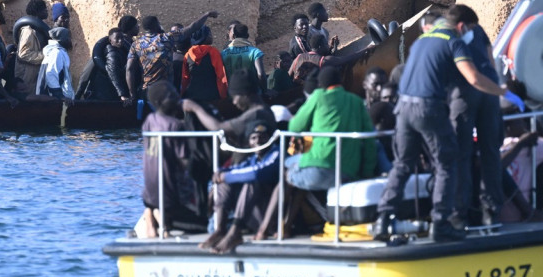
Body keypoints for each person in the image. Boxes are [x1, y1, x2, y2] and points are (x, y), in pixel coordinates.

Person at [374, 4, 524, 242]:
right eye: (469, 28)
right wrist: (502, 91)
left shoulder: (421, 42)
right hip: (433, 106)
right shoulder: (455, 42)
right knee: (450, 162)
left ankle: (384, 218)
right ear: (462, 26)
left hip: (404, 108)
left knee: (403, 164)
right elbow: (475, 76)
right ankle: (447, 221)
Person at [256, 66, 377, 239]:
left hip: (319, 170)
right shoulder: (356, 101)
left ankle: (267, 229)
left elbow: (294, 127)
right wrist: (365, 174)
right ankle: (286, 226)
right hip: (349, 173)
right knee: (297, 170)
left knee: (286, 170)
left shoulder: (319, 97)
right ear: (340, 82)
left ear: (321, 85)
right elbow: (370, 142)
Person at [449, 20, 505, 227]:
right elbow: (492, 64)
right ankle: (490, 212)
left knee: (461, 156)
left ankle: (459, 214)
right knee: (490, 153)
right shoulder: (479, 32)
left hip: (465, 96)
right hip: (488, 94)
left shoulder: (449, 37)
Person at [203, 119, 282, 253]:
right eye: (254, 138)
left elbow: (257, 173)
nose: (258, 141)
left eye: (263, 137)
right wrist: (220, 175)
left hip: (274, 220)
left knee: (250, 183)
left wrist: (225, 176)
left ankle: (235, 231)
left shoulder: (277, 153)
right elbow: (234, 170)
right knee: (224, 184)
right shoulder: (253, 159)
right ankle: (220, 229)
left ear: (270, 139)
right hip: (256, 217)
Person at [139, 81, 206, 238]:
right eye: (173, 95)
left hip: (149, 193)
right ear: (161, 102)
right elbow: (185, 162)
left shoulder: (149, 120)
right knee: (200, 222)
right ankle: (155, 216)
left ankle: (153, 212)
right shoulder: (176, 126)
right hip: (169, 195)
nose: (178, 97)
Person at [126, 11, 218, 102]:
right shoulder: (166, 38)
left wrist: (132, 94)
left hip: (146, 91)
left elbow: (129, 69)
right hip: (165, 90)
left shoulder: (135, 45)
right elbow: (192, 28)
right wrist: (206, 14)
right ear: (155, 26)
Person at [77, 27, 131, 101]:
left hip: (111, 95)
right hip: (100, 95)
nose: (120, 41)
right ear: (110, 40)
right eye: (117, 38)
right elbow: (86, 75)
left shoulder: (123, 52)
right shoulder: (107, 53)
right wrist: (122, 94)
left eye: (122, 38)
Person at [181, 24, 227, 102]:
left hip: (192, 95)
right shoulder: (213, 52)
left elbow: (185, 78)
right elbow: (221, 76)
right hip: (211, 96)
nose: (211, 36)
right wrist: (223, 95)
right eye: (209, 34)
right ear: (204, 36)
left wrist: (181, 95)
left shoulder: (188, 54)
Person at [15, 0, 50, 94]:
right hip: (27, 77)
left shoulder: (40, 28)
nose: (47, 11)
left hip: (36, 74)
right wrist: (45, 56)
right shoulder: (28, 31)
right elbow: (23, 54)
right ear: (37, 11)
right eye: (44, 9)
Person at [221, 21, 265, 90]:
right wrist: (264, 90)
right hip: (252, 94)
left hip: (232, 94)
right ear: (247, 35)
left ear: (233, 36)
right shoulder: (255, 52)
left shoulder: (223, 53)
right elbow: (261, 74)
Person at [36, 27, 75, 101]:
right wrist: (59, 95)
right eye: (68, 38)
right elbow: (51, 74)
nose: (70, 40)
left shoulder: (56, 52)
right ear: (62, 38)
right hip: (52, 98)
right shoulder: (57, 53)